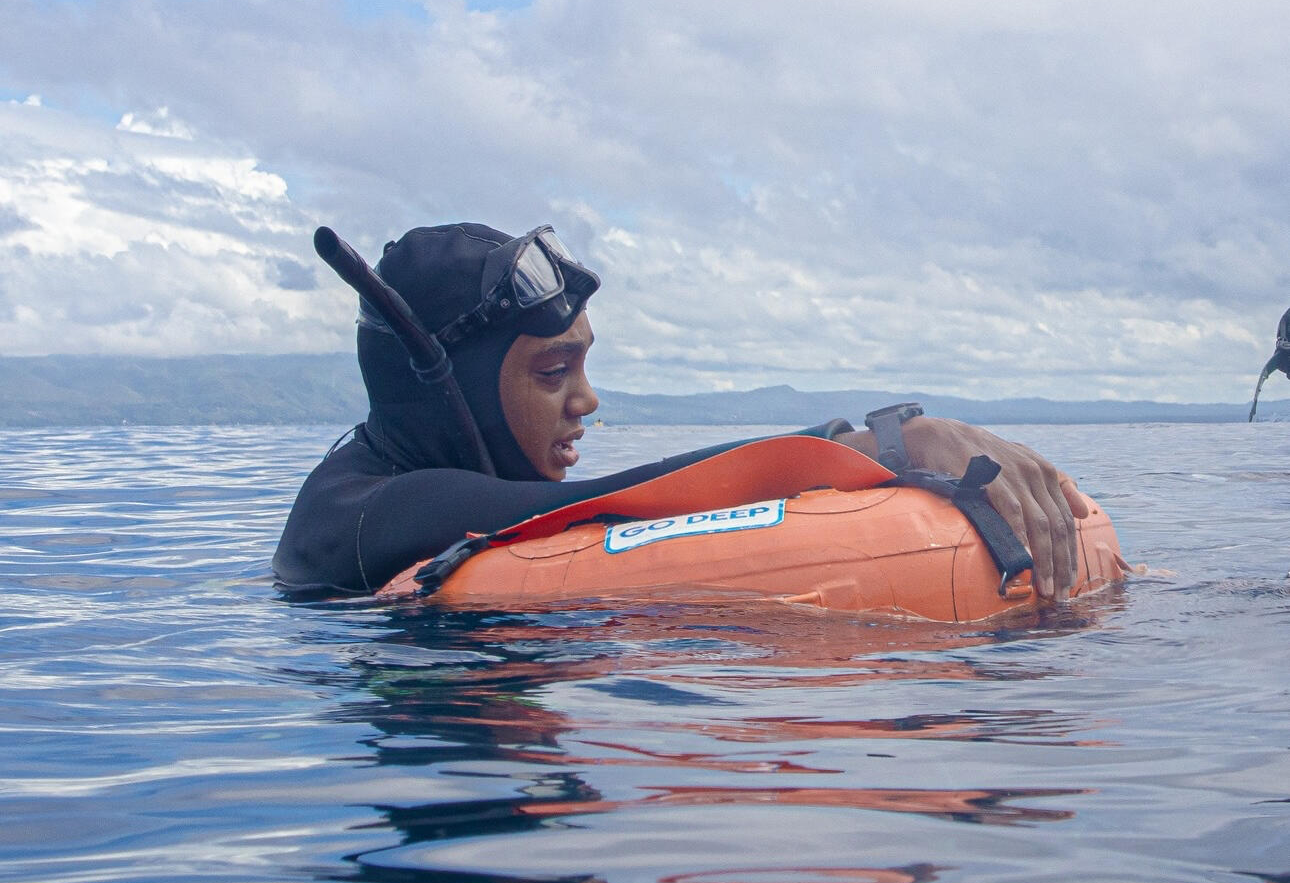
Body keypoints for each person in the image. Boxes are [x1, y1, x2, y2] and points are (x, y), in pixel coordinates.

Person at [274, 221, 1089, 601]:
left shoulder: (388, 478)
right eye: (553, 372)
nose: (587, 400)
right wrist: (890, 441)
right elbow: (622, 498)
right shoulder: (371, 513)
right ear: (446, 390)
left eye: (584, 364)